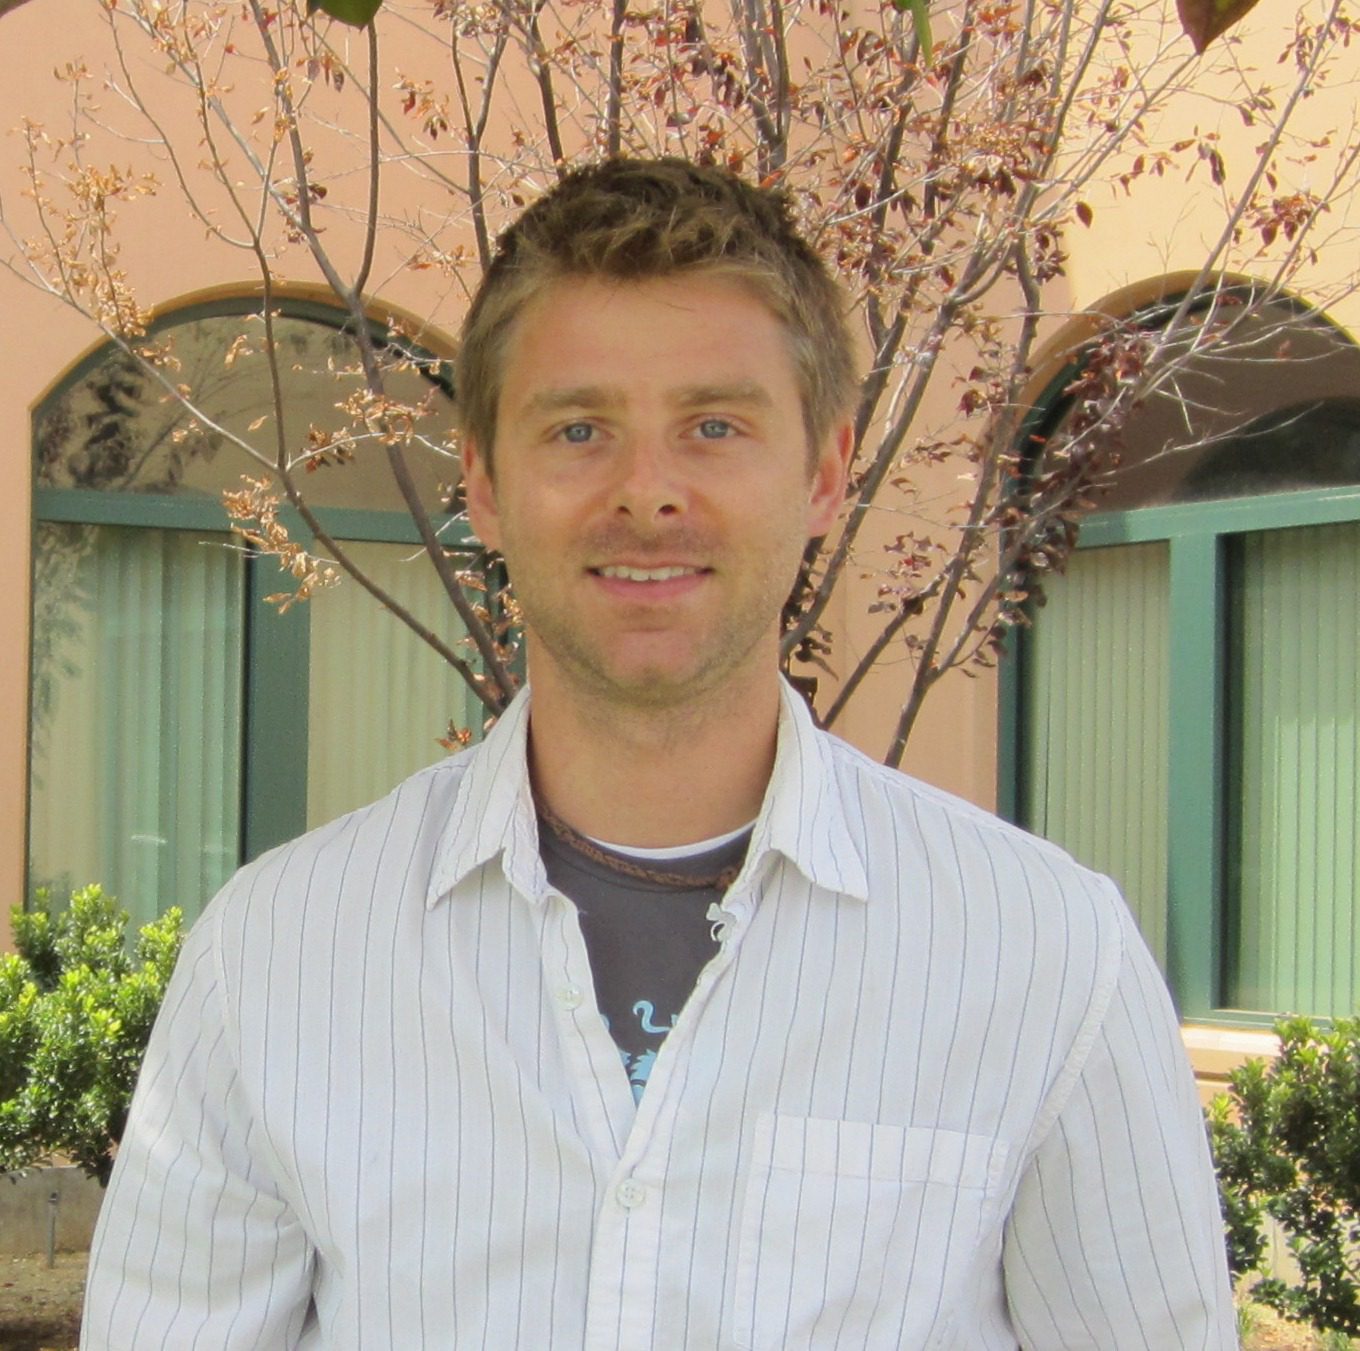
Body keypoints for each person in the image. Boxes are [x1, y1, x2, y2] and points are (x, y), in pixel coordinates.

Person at [82, 158, 1237, 1349]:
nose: (647, 494)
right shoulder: (273, 961)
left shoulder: (1047, 956)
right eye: (578, 428)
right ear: (484, 481)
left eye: (714, 427)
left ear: (824, 473)